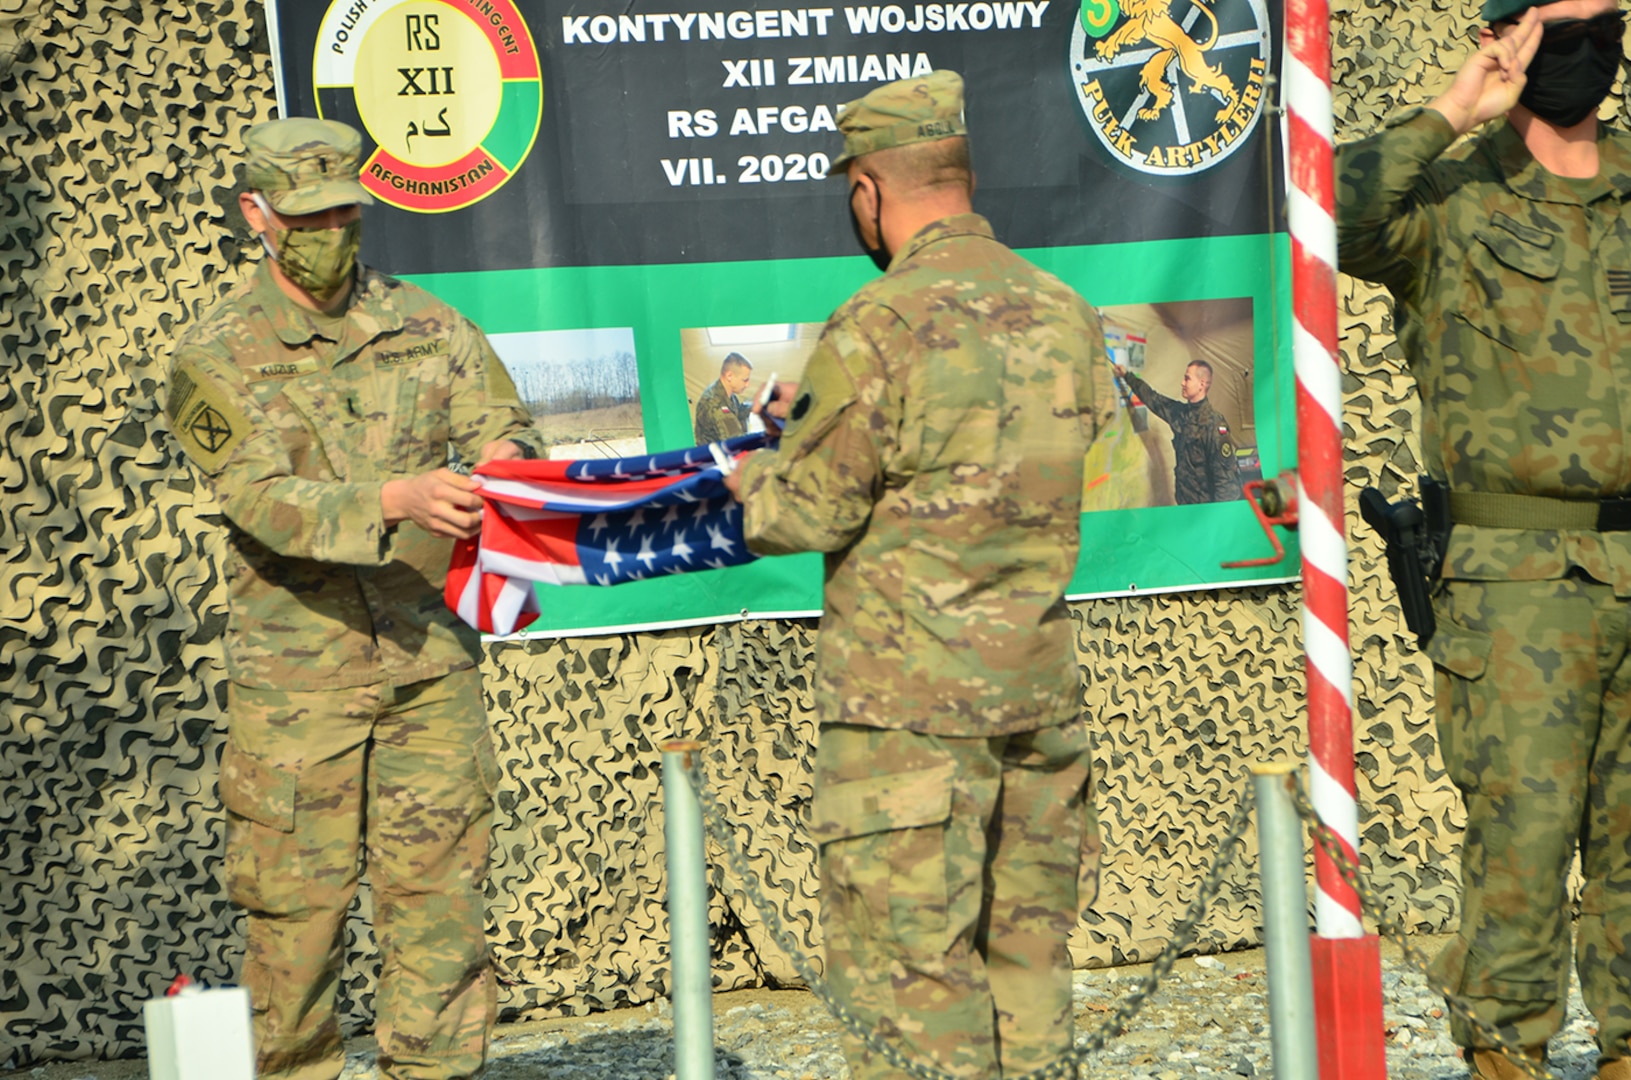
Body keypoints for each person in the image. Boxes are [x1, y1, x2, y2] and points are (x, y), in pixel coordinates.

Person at [723, 70, 1116, 1080]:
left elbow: (803, 512)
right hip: (1034, 699)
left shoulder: (879, 324)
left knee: (913, 993)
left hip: (908, 726)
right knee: (1029, 975)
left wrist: (752, 474)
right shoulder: (1063, 311)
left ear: (866, 192)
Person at [164, 118, 543, 1080]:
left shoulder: (429, 323)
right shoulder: (212, 356)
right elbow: (259, 500)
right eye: (308, 215)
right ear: (256, 214)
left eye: (346, 212)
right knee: (297, 923)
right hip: (301, 683)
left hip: (428, 662)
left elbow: (506, 426)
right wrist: (395, 500)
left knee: (442, 903)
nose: (332, 231)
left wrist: (505, 466)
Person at [1337, 2, 1631, 1077]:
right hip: (1515, 581)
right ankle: (1503, 1048)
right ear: (1507, 35)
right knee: (1521, 830)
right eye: (1560, 23)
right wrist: (1454, 109)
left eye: (1601, 19)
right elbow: (1324, 214)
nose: (1586, 45)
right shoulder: (1452, 199)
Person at [1113, 358, 1242, 504]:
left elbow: (1226, 484)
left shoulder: (1214, 425)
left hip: (1205, 512)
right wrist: (1126, 375)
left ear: (1202, 384)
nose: (1182, 383)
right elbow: (1153, 398)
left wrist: (1217, 522)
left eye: (1187, 379)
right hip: (1184, 505)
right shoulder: (1181, 414)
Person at [692, 351, 754, 444]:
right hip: (713, 457)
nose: (747, 385)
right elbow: (737, 441)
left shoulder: (725, 392)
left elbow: (737, 412)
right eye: (745, 380)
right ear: (729, 376)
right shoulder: (715, 404)